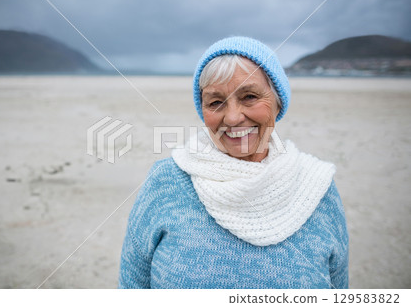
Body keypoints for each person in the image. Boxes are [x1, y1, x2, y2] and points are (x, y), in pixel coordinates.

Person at [118, 36, 349, 289]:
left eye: (249, 96)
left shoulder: (317, 186)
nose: (233, 117)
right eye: (216, 102)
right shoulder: (166, 181)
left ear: (277, 102)